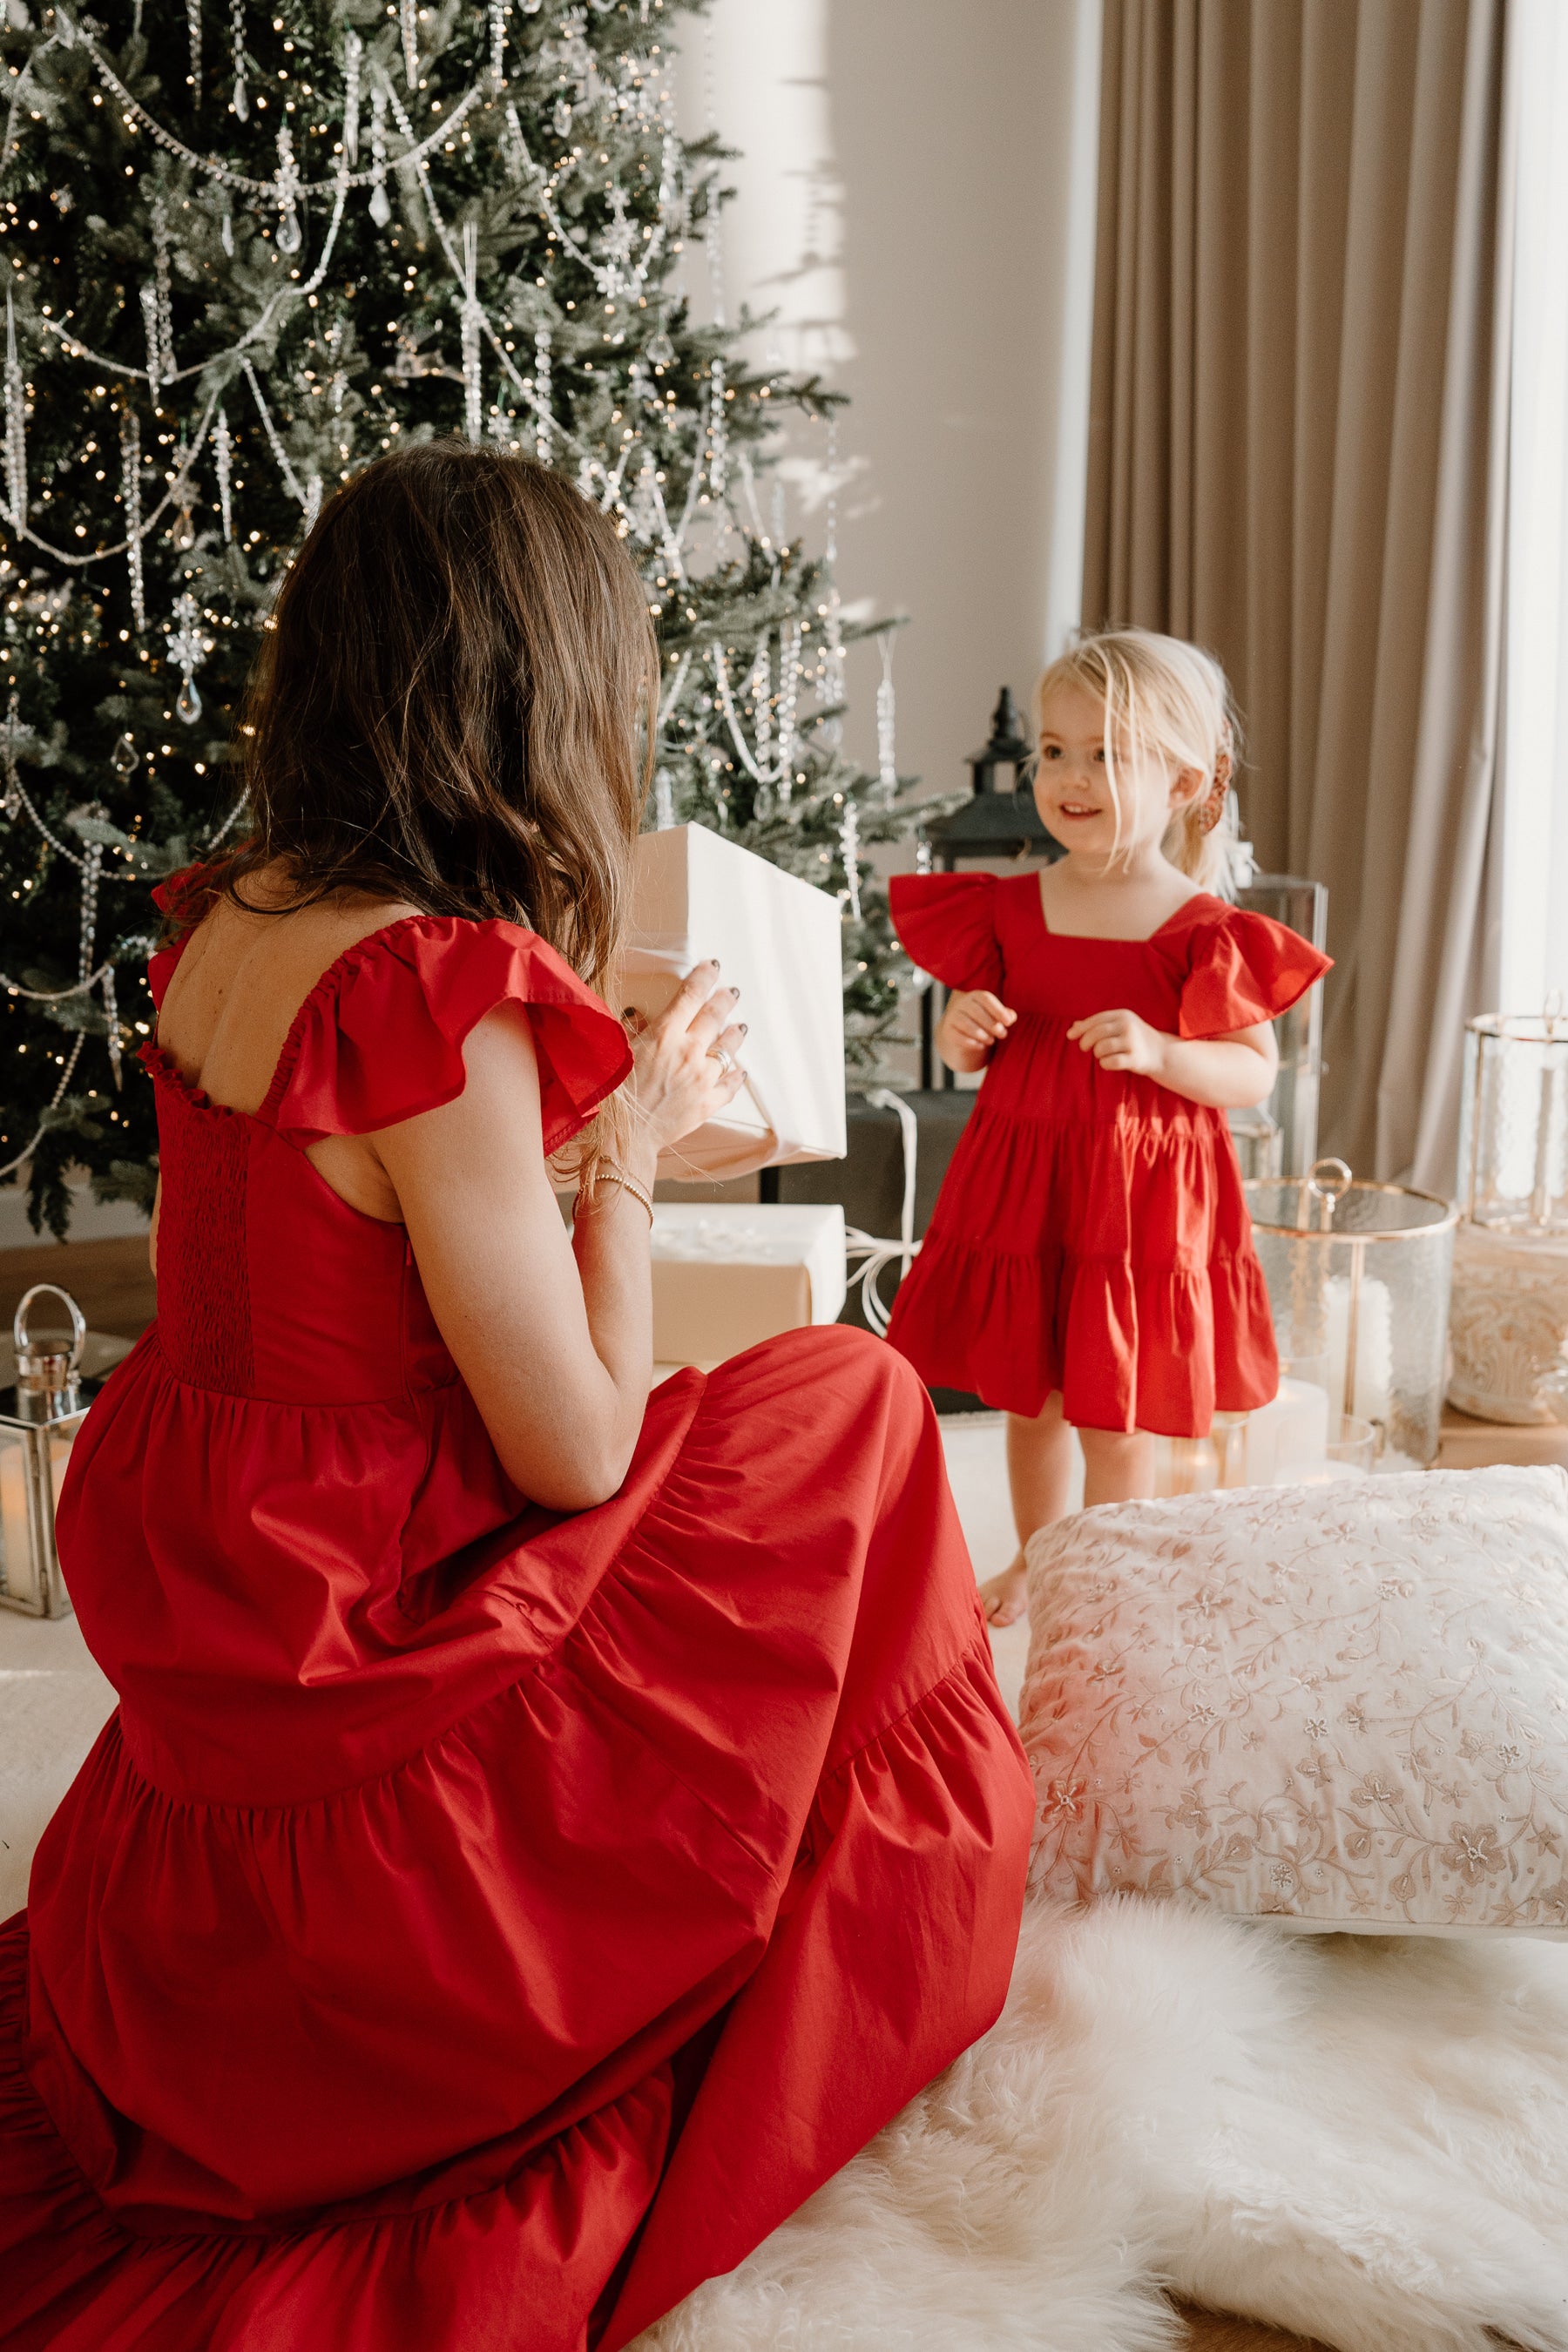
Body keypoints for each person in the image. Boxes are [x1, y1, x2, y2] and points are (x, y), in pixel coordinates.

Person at [0, 443, 1034, 2352]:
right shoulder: (438, 988)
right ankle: (785, 1924)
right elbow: (573, 1446)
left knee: (792, 1414)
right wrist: (627, 1147)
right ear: (530, 698)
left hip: (243, 1582)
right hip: (373, 1616)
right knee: (851, 1407)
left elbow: (346, 1237)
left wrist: (579, 1133)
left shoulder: (222, 921)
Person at [887, 627, 1331, 1628]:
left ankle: (1112, 1576)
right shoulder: (1008, 907)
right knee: (1029, 1398)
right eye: (1054, 750)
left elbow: (1252, 1074)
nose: (1069, 776)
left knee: (1115, 1407)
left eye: (1106, 753)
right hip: (1027, 1183)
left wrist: (1166, 1053)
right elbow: (971, 1048)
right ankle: (1042, 1558)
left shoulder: (1201, 931)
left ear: (1181, 782)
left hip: (1136, 1204)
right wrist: (965, 1032)